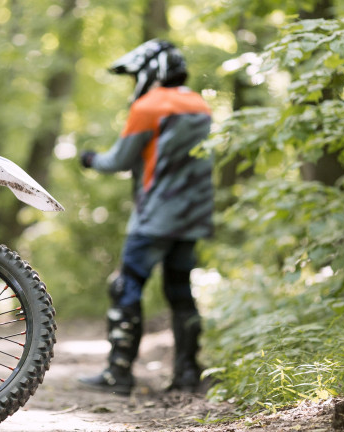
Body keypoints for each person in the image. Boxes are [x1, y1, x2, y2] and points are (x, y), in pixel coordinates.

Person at [78, 39, 213, 395]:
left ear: (152, 70)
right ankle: (187, 374)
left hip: (154, 216)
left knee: (126, 286)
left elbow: (118, 161)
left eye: (137, 73)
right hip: (192, 217)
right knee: (180, 292)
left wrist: (90, 158)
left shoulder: (148, 106)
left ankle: (118, 373)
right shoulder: (201, 106)